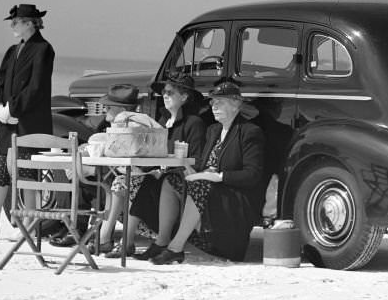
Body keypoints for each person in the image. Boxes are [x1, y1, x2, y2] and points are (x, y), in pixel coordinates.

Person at [138, 81, 264, 265]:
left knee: (200, 184)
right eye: (213, 103)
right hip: (210, 190)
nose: (214, 106)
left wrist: (218, 176)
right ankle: (162, 240)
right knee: (171, 181)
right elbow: (205, 164)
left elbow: (253, 175)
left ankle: (175, 248)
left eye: (220, 102)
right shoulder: (213, 131)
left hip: (234, 197)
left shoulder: (249, 132)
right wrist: (191, 169)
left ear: (236, 104)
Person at [102, 74, 206, 258]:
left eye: (170, 92)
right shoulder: (162, 121)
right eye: (164, 92)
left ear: (184, 97)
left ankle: (123, 241)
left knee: (137, 183)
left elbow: (196, 159)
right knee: (122, 180)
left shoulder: (193, 123)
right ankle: (114, 239)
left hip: (179, 178)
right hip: (157, 174)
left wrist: (163, 167)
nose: (165, 95)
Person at [0, 3, 55, 240]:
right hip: (7, 121)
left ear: (30, 23)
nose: (12, 25)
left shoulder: (44, 49)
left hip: (29, 121)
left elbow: (37, 87)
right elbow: (2, 82)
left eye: (17, 21)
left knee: (27, 176)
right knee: (0, 173)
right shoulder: (12, 50)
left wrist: (14, 108)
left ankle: (30, 227)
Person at [48, 83, 142, 249]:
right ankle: (76, 229)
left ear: (121, 110)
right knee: (78, 173)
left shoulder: (135, 130)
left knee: (84, 173)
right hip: (107, 181)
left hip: (122, 184)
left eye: (108, 107)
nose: (104, 110)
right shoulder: (106, 127)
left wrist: (91, 166)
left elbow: (127, 168)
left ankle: (93, 233)